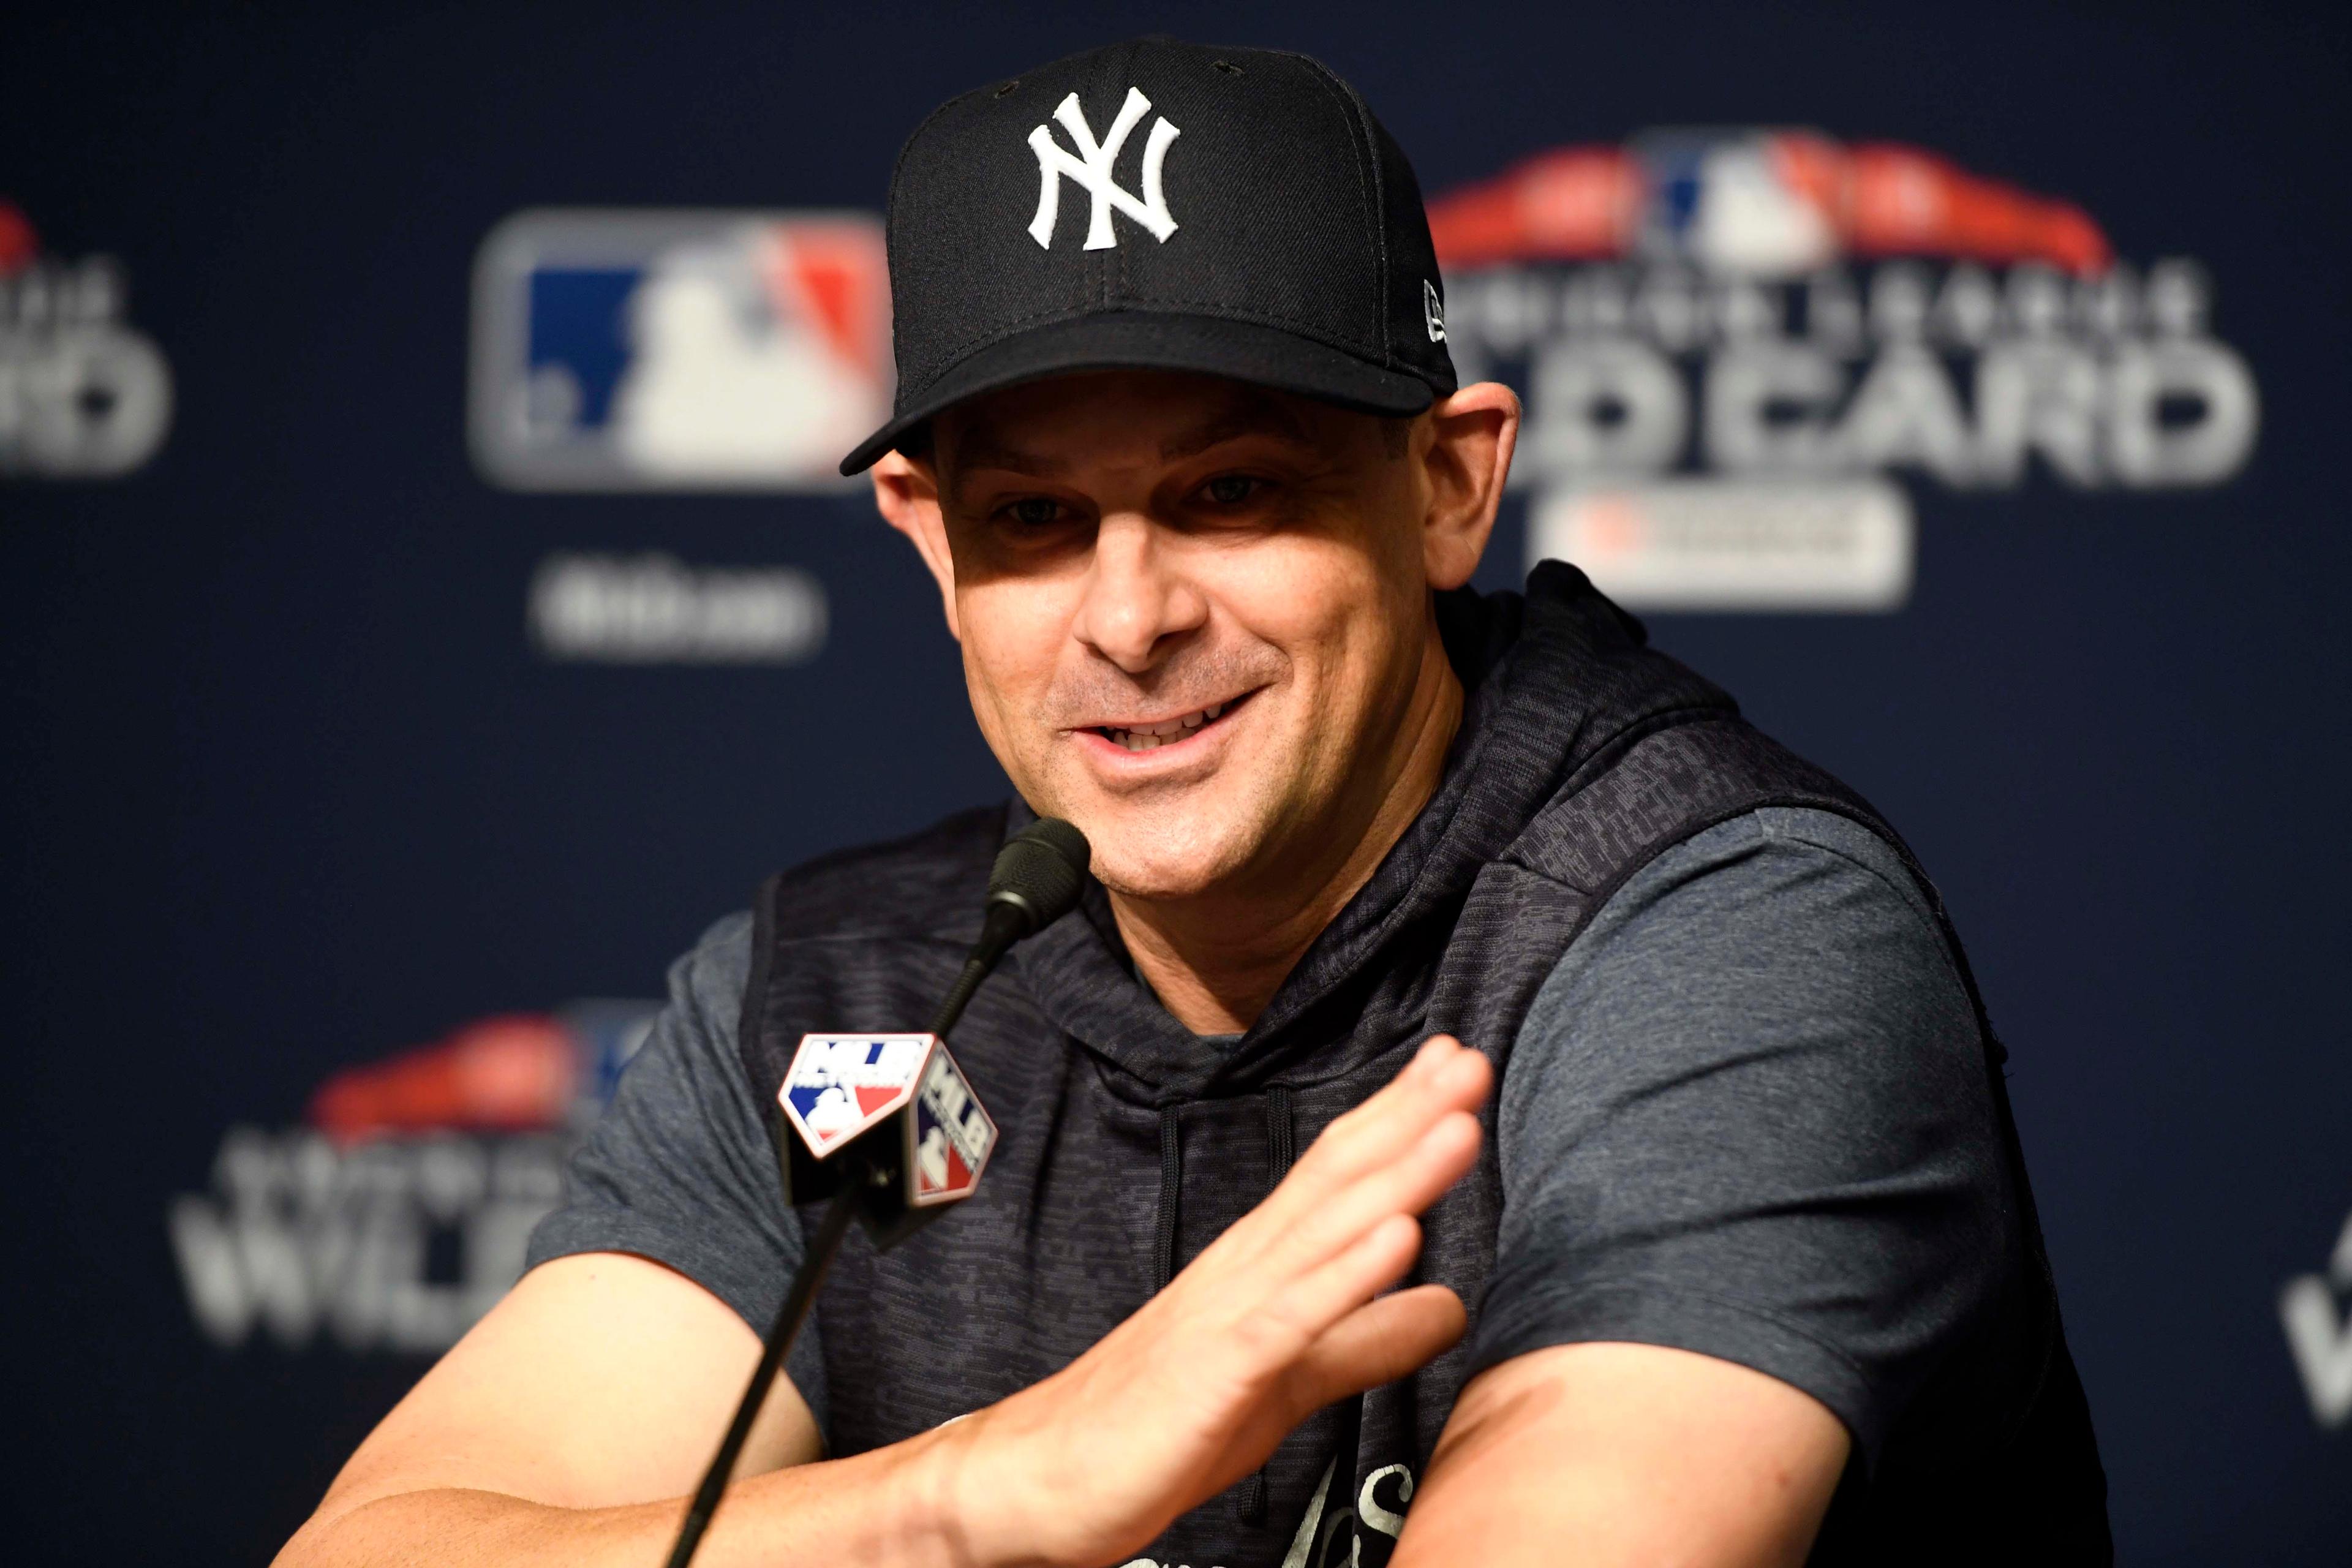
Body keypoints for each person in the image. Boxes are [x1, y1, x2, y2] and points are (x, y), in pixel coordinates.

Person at [277, 37, 2108, 1568]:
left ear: (1449, 490)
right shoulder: (866, 1006)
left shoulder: (1717, 937)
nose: (1132, 617)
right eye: (1035, 523)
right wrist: (985, 1491)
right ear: (926, 542)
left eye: (1234, 495)